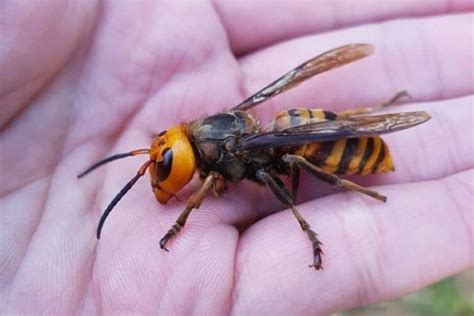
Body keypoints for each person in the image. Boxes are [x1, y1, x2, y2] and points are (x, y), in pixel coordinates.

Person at [1, 1, 472, 314]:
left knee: (298, 154)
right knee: (293, 135)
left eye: (166, 162)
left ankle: (355, 159)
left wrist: (184, 220)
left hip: (340, 152)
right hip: (292, 137)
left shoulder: (220, 163)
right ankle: (372, 118)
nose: (164, 168)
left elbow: (216, 181)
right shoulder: (209, 146)